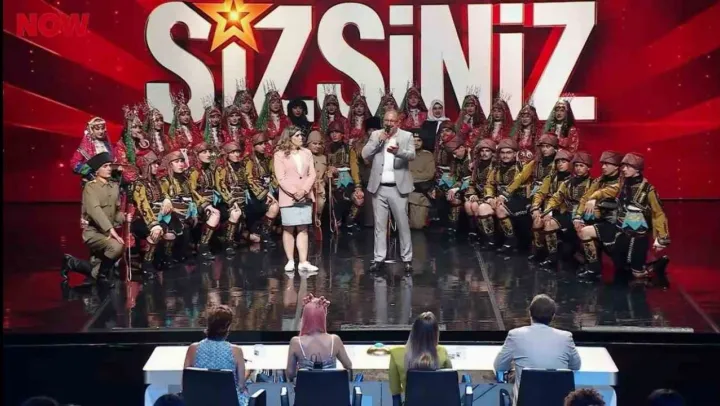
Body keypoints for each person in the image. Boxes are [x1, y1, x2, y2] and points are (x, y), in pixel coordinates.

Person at [578, 153, 670, 282]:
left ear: (637, 169)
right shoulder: (622, 183)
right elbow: (608, 190)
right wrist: (593, 198)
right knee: (619, 266)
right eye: (623, 166)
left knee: (637, 274)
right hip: (619, 230)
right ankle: (594, 269)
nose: (624, 169)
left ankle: (654, 267)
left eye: (628, 166)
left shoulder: (648, 190)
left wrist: (662, 238)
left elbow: (658, 214)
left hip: (637, 235)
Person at [61, 152, 129, 287]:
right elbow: (96, 212)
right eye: (105, 166)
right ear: (97, 170)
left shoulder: (114, 187)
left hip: (106, 232)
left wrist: (124, 217)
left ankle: (71, 263)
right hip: (93, 233)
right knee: (117, 247)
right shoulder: (90, 187)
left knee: (97, 268)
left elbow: (115, 213)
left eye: (110, 165)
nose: (109, 168)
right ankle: (102, 277)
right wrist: (112, 232)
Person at [494, 294, 581, 396]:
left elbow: (499, 366)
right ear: (553, 316)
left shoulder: (515, 335)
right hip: (558, 402)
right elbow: (576, 366)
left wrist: (515, 367)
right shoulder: (566, 337)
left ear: (529, 313)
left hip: (525, 402)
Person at [362, 109, 416, 273]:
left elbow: (412, 155)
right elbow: (364, 153)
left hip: (398, 188)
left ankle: (407, 259)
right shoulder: (376, 135)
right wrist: (379, 141)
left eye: (392, 121)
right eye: (386, 120)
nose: (389, 124)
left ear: (398, 122)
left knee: (403, 224)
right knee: (379, 225)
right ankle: (379, 258)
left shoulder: (406, 136)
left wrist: (398, 151)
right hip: (379, 187)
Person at [184, 305, 248, 406]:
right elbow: (241, 386)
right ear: (228, 327)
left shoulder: (193, 349)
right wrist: (249, 373)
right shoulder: (236, 351)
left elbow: (186, 383)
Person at [273, 126, 318, 272]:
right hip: (289, 196)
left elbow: (312, 174)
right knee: (288, 228)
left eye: (301, 135)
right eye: (297, 135)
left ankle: (303, 261)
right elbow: (281, 178)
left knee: (303, 228)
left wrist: (303, 191)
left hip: (305, 195)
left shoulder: (307, 153)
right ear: (289, 137)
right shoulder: (279, 155)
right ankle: (290, 260)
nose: (301, 138)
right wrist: (294, 192)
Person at [286, 294, 352, 381]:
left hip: (305, 389)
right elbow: (348, 365)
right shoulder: (335, 340)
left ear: (304, 318)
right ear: (323, 317)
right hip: (331, 389)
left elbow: (290, 374)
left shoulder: (296, 342)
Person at [388, 312, 452, 401]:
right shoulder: (442, 352)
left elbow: (395, 392)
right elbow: (450, 385)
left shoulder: (396, 354)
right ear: (436, 334)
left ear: (413, 331)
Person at [529, 149, 574, 264]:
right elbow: (540, 193)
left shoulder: (573, 180)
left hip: (566, 212)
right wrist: (535, 207)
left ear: (570, 163)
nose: (560, 164)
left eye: (564, 161)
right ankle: (540, 252)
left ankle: (552, 257)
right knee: (537, 221)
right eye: (558, 162)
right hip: (549, 209)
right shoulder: (550, 177)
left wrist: (548, 212)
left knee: (548, 223)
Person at [215, 141, 250, 253]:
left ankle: (237, 238)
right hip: (227, 202)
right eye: (233, 152)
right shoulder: (221, 168)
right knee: (235, 213)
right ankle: (228, 243)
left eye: (238, 152)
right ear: (227, 154)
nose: (236, 155)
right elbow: (221, 186)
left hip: (241, 199)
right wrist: (232, 201)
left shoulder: (241, 167)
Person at [408, 131, 436, 230]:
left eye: (418, 140)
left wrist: (408, 177)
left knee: (417, 226)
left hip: (418, 193)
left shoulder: (428, 155)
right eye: (413, 140)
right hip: (402, 192)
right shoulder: (403, 154)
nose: (416, 143)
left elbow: (429, 174)